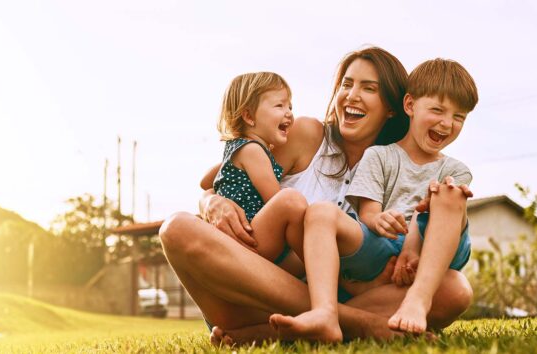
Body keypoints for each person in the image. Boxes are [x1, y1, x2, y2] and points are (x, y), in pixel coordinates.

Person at [159, 46, 474, 345]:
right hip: (250, 292)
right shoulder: (306, 135)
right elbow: (226, 174)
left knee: (454, 289)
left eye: (368, 88)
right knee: (176, 228)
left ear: (392, 108)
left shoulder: (401, 166)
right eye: (346, 84)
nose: (352, 95)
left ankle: (285, 328)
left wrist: (410, 256)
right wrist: (213, 203)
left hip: (348, 295)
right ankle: (356, 324)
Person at [268, 58, 478, 340]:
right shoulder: (379, 155)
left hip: (434, 249)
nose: (446, 123)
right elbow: (368, 212)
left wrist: (413, 247)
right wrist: (378, 219)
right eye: (438, 110)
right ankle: (324, 313)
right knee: (320, 212)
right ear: (409, 106)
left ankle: (418, 299)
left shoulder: (455, 170)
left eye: (458, 117)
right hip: (384, 245)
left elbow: (432, 217)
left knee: (449, 195)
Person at [204, 72, 307, 271]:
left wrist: (214, 198)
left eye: (290, 106)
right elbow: (275, 199)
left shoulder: (236, 148)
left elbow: (205, 182)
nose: (289, 113)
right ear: (249, 116)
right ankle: (323, 269)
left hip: (244, 238)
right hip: (250, 237)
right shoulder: (253, 151)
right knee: (291, 202)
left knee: (303, 266)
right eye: (280, 105)